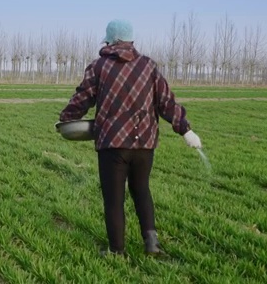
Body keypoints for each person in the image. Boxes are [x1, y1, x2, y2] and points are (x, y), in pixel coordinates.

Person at [57, 19, 202, 256]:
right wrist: (185, 129)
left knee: (114, 199)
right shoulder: (149, 66)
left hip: (113, 144)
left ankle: (117, 250)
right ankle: (152, 244)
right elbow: (166, 102)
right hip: (144, 144)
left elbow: (82, 98)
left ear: (111, 41)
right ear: (131, 40)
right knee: (141, 190)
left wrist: (66, 118)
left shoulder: (99, 67)